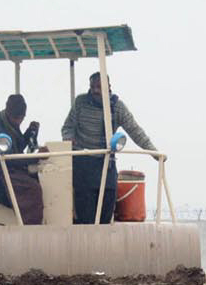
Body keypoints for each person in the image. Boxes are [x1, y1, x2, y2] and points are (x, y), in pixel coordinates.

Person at [61, 72, 155, 225]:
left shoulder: (117, 107)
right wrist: (68, 138)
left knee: (109, 199)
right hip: (82, 162)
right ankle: (85, 239)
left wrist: (152, 151)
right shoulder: (81, 102)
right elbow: (67, 127)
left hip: (106, 162)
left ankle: (103, 239)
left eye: (99, 87)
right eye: (92, 87)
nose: (95, 91)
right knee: (86, 209)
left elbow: (135, 130)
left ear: (108, 87)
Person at [0, 94, 44, 225]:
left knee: (38, 178)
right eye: (17, 118)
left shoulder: (9, 127)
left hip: (7, 169)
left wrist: (29, 133)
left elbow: (15, 148)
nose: (19, 121)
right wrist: (36, 158)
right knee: (33, 189)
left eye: (21, 118)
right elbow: (9, 159)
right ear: (9, 114)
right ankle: (31, 226)